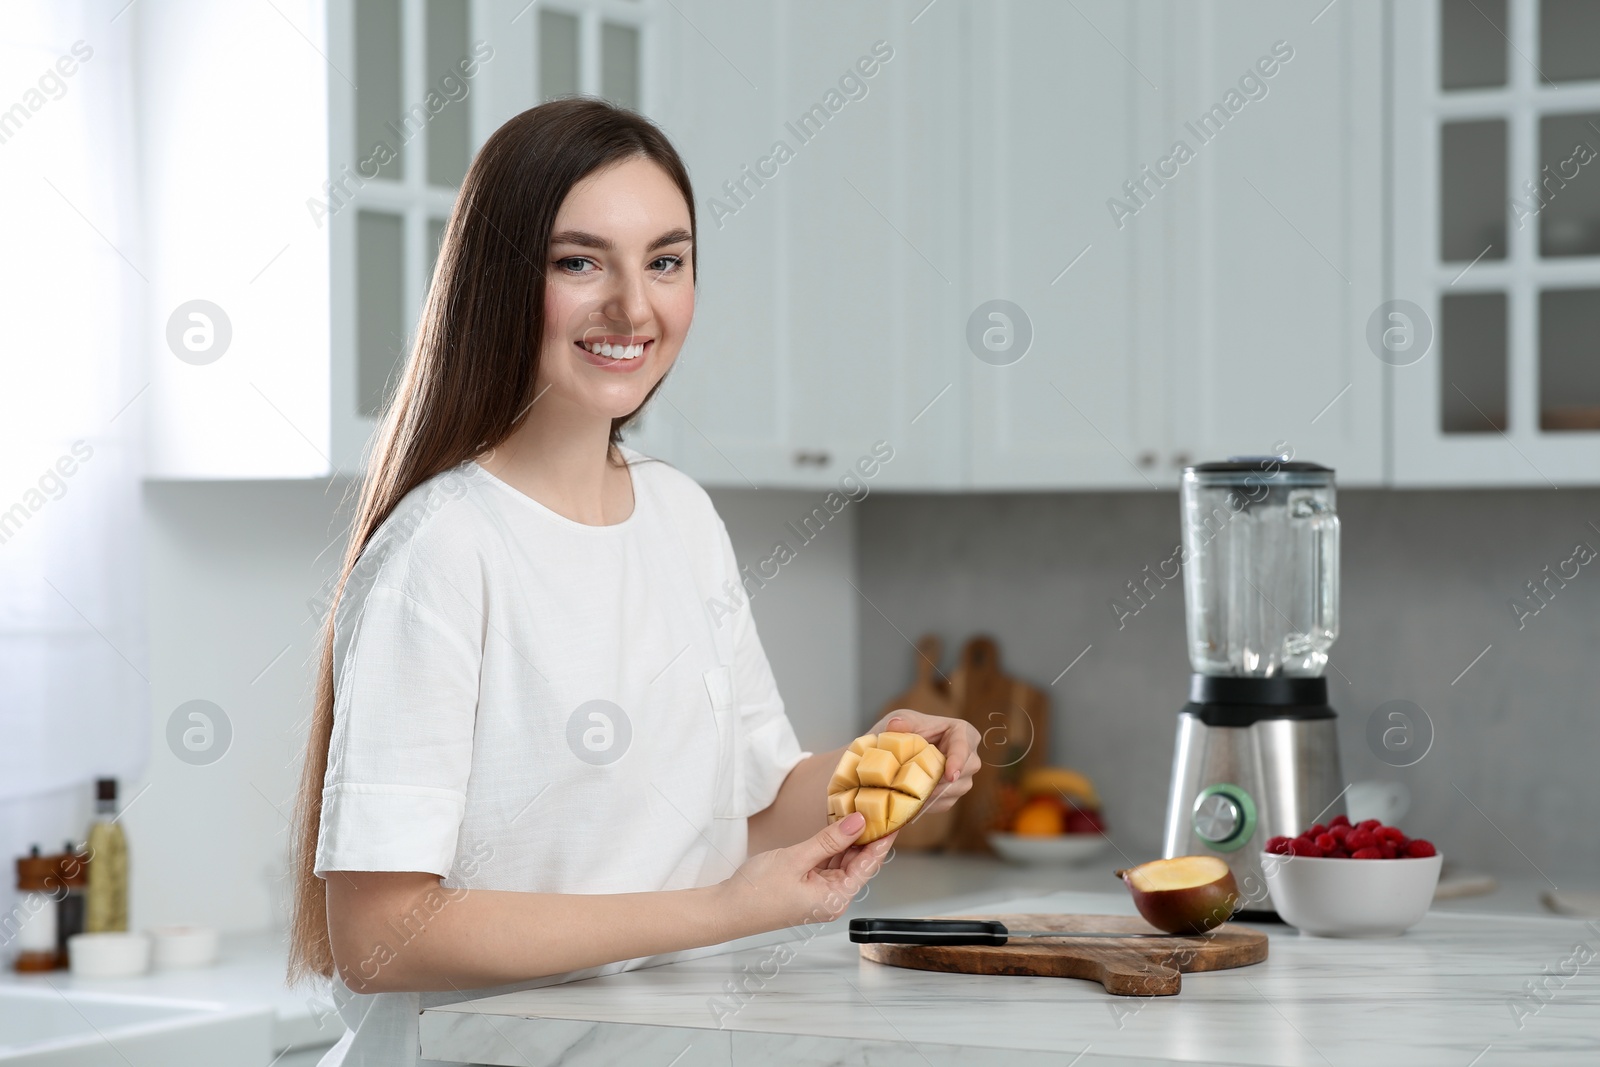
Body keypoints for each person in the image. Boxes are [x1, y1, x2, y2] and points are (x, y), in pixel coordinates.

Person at [286, 98, 981, 1065]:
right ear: (498, 281)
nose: (634, 306)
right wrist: (720, 910)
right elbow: (380, 935)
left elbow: (750, 804)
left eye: (666, 260)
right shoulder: (445, 549)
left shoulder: (681, 516)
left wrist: (882, 769)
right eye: (580, 261)